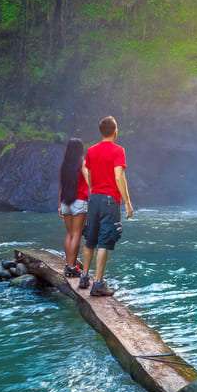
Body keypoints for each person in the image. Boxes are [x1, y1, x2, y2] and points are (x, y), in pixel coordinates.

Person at [79, 116, 134, 296]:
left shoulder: (92, 150)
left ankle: (84, 277)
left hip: (94, 198)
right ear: (115, 131)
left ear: (101, 131)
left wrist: (91, 185)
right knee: (104, 241)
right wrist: (127, 202)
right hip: (110, 200)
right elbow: (119, 176)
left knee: (90, 239)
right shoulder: (119, 150)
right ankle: (98, 284)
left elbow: (85, 168)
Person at [58, 138, 90, 278]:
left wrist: (59, 205)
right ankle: (72, 267)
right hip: (79, 201)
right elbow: (89, 181)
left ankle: (68, 265)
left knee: (69, 234)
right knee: (77, 234)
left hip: (65, 202)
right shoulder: (82, 163)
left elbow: (62, 187)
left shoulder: (64, 165)